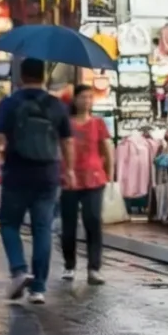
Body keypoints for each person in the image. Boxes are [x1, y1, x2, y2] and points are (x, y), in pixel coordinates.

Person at [0, 57, 71, 304]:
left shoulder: (10, 103)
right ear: (44, 76)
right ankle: (38, 289)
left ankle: (18, 269)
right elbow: (67, 142)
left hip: (16, 173)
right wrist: (69, 170)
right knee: (42, 229)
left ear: (21, 76)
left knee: (8, 223)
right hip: (48, 174)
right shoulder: (56, 105)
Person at [58, 84, 111, 286]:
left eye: (90, 97)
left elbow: (107, 150)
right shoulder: (66, 123)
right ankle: (69, 265)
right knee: (68, 225)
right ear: (75, 100)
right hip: (69, 179)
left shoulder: (98, 123)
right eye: (83, 97)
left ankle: (94, 268)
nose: (87, 101)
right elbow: (59, 147)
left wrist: (110, 174)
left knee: (93, 221)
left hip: (94, 179)